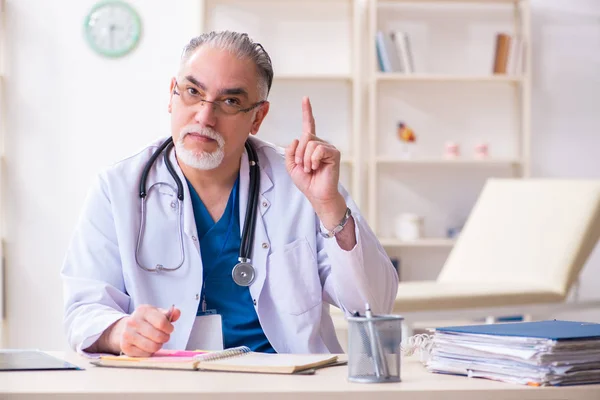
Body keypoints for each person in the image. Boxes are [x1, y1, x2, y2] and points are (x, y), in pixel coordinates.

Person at [61, 31, 398, 356]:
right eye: (193, 91)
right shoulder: (117, 189)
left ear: (257, 117)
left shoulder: (303, 183)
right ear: (171, 95)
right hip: (170, 380)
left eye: (230, 101)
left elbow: (373, 306)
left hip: (290, 382)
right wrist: (120, 331)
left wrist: (329, 206)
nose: (205, 116)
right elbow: (83, 309)